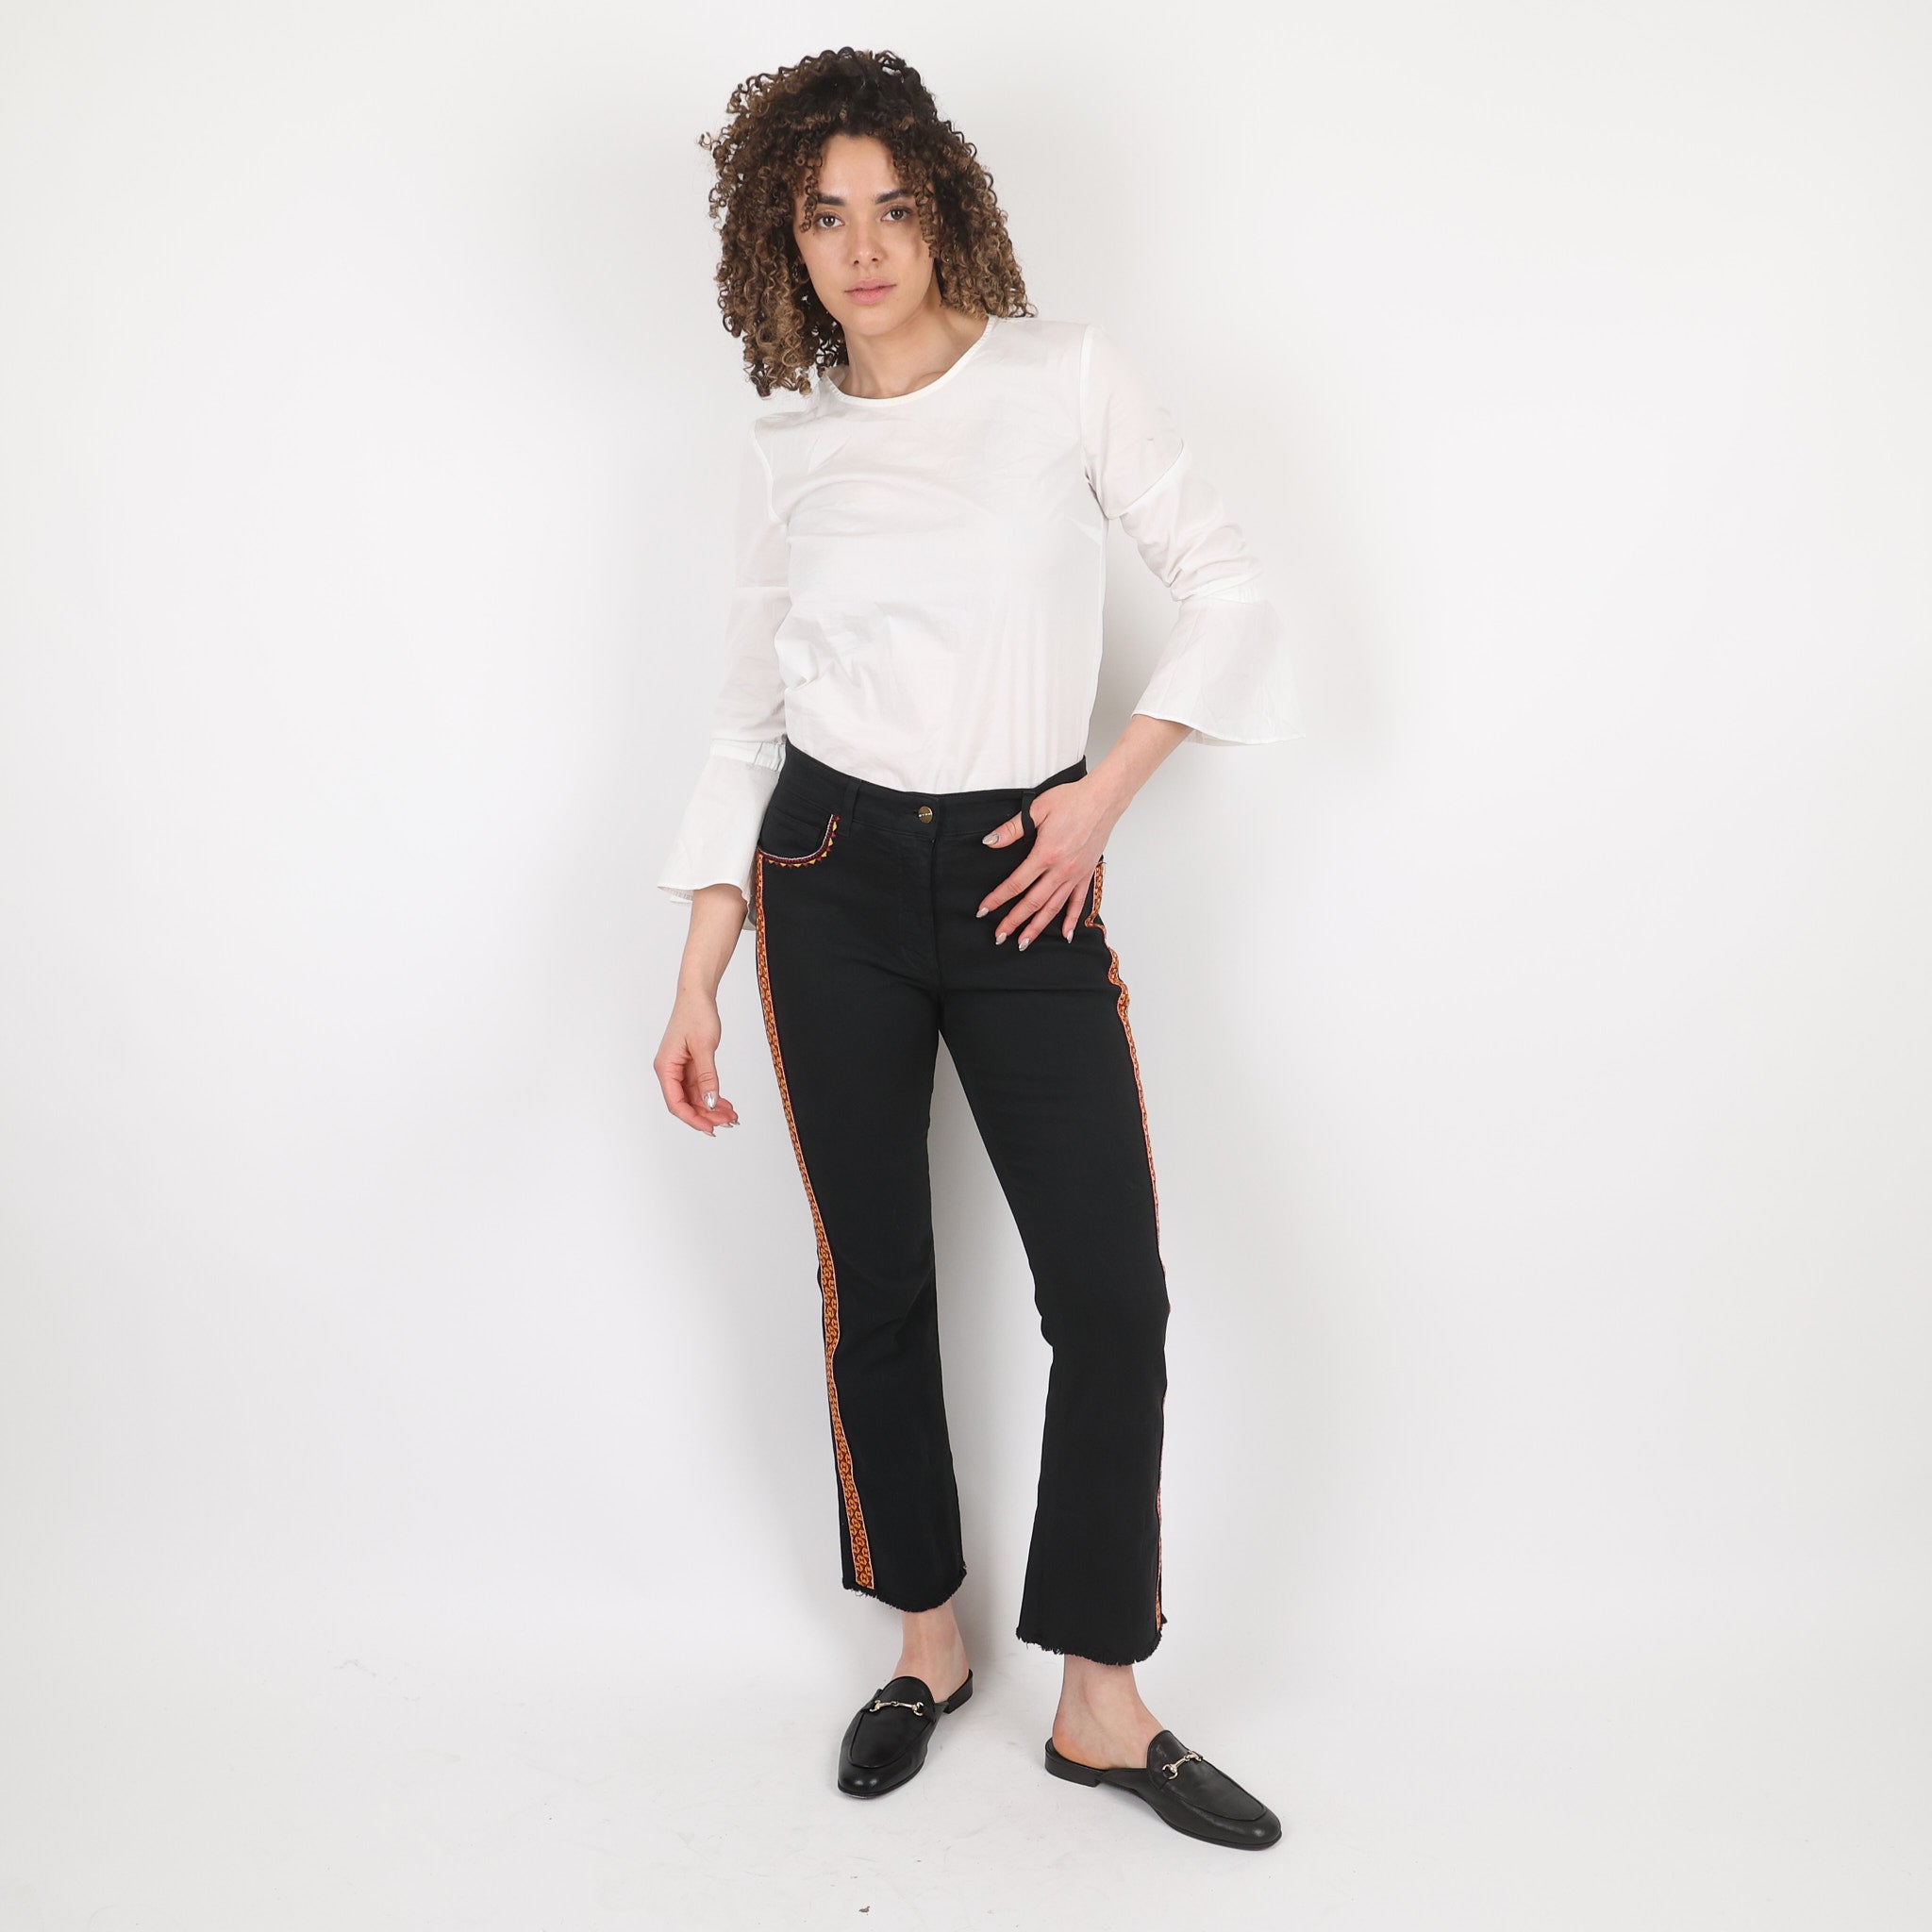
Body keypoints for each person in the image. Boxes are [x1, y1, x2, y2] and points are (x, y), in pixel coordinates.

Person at [654, 47, 1301, 1851]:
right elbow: (743, 716)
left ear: (945, 210)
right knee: (875, 1277)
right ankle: (925, 1645)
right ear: (782, 239)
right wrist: (700, 965)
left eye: (892, 207)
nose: (863, 247)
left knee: (1110, 1292)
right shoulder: (786, 444)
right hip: (828, 873)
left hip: (1031, 874)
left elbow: (1232, 591)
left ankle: (1102, 1701)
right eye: (823, 215)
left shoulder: (1061, 377)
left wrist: (1100, 801)